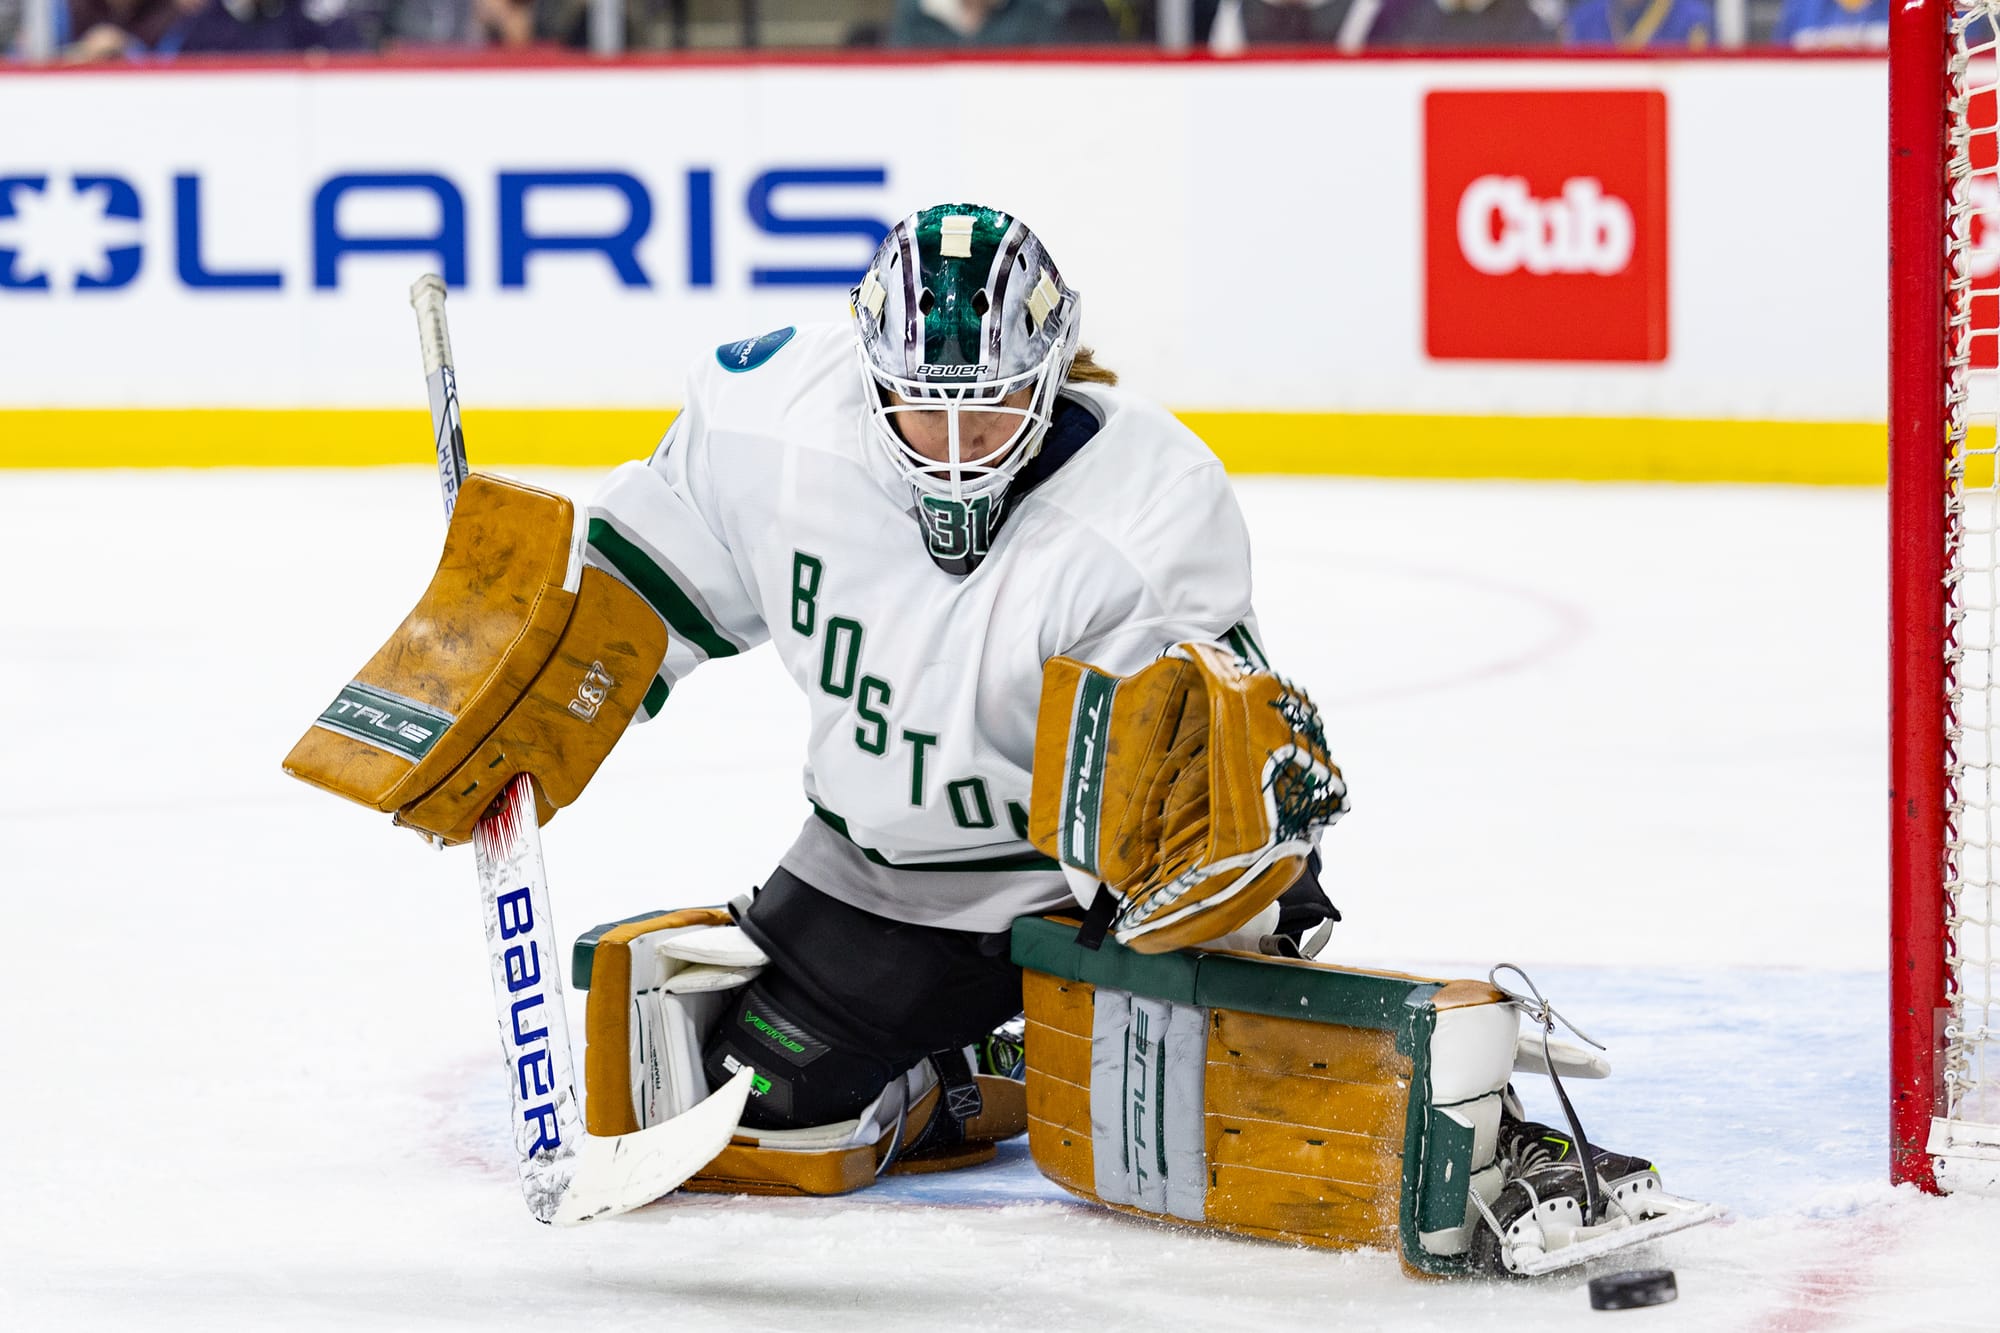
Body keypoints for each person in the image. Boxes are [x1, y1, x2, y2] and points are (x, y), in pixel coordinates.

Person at [569, 203, 1346, 1134]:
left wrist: (1229, 886)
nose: (951, 445)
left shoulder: (1148, 505)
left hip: (1080, 898)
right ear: (870, 374)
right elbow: (626, 597)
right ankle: (987, 1057)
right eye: (920, 407)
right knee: (757, 1103)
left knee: (1195, 1120)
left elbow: (1212, 765)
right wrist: (534, 674)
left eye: (987, 407)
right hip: (882, 880)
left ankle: (1060, 1031)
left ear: (1049, 374)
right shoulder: (769, 424)